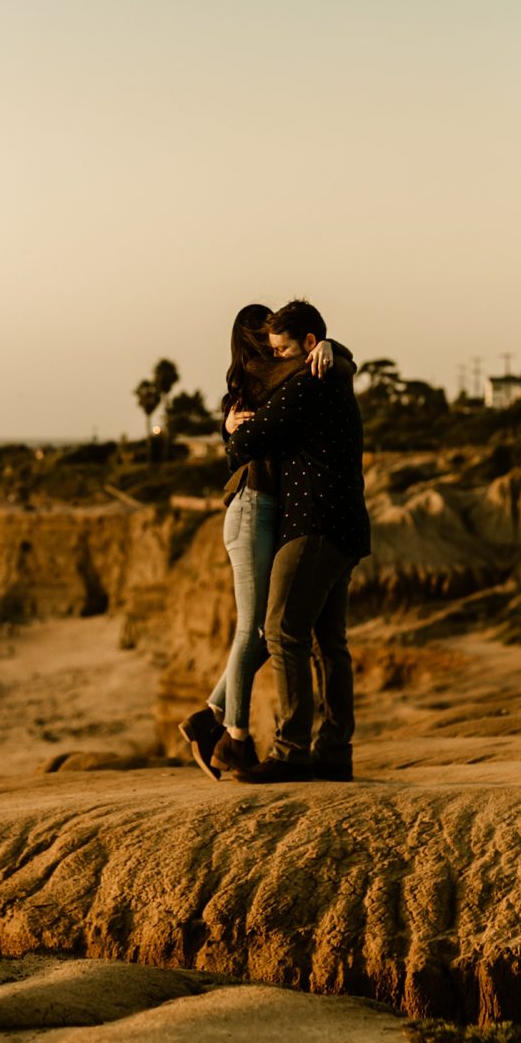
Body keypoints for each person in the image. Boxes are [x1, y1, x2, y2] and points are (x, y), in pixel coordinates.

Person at [178, 305, 341, 779]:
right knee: (255, 630)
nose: (278, 341)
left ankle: (208, 717)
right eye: (269, 332)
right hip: (252, 509)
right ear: (257, 339)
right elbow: (309, 364)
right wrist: (332, 349)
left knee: (269, 631)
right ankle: (235, 738)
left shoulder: (264, 376)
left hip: (263, 511)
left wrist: (330, 347)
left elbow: (312, 361)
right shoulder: (264, 373)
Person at [224, 299, 370, 784]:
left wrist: (233, 427)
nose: (279, 358)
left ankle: (290, 751)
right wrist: (337, 349)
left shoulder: (308, 382)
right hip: (347, 523)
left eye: (284, 349)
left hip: (313, 522)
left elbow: (247, 443)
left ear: (308, 345)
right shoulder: (333, 375)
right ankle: (333, 751)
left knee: (283, 629)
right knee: (330, 642)